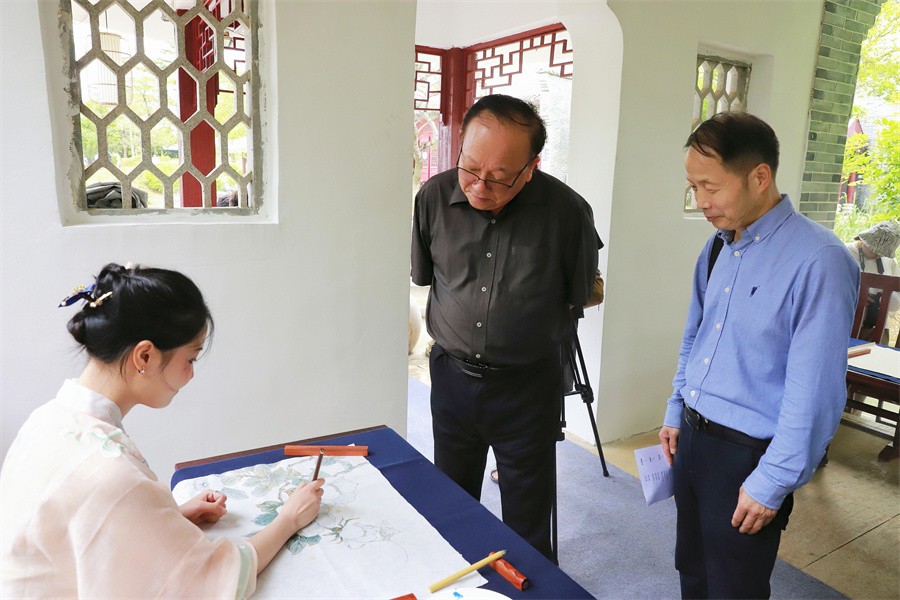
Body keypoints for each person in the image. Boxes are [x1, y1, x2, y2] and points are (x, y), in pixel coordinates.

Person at [0, 263, 325, 597]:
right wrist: (288, 519)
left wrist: (165, 520)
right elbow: (208, 580)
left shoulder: (46, 418)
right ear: (145, 356)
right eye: (191, 359)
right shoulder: (112, 476)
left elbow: (76, 530)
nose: (191, 375)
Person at [658, 113, 859, 598]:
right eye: (693, 187)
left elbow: (815, 391)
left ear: (760, 176)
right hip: (693, 437)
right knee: (692, 572)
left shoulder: (820, 260)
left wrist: (773, 480)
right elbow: (695, 338)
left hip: (748, 456)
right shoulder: (717, 247)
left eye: (710, 187)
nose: (701, 201)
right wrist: (675, 410)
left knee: (735, 588)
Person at [411, 94, 601, 559]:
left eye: (499, 177)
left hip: (528, 388)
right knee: (451, 508)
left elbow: (583, 293)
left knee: (527, 521)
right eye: (470, 167)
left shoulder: (567, 212)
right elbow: (427, 276)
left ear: (532, 166)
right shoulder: (433, 197)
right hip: (452, 380)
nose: (479, 186)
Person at [845, 220, 900, 343]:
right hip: (848, 321)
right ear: (865, 239)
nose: (877, 255)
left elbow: (897, 292)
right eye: (875, 250)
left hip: (878, 325)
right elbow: (830, 286)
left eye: (882, 253)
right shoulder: (845, 253)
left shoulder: (889, 261)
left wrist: (886, 299)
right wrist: (856, 296)